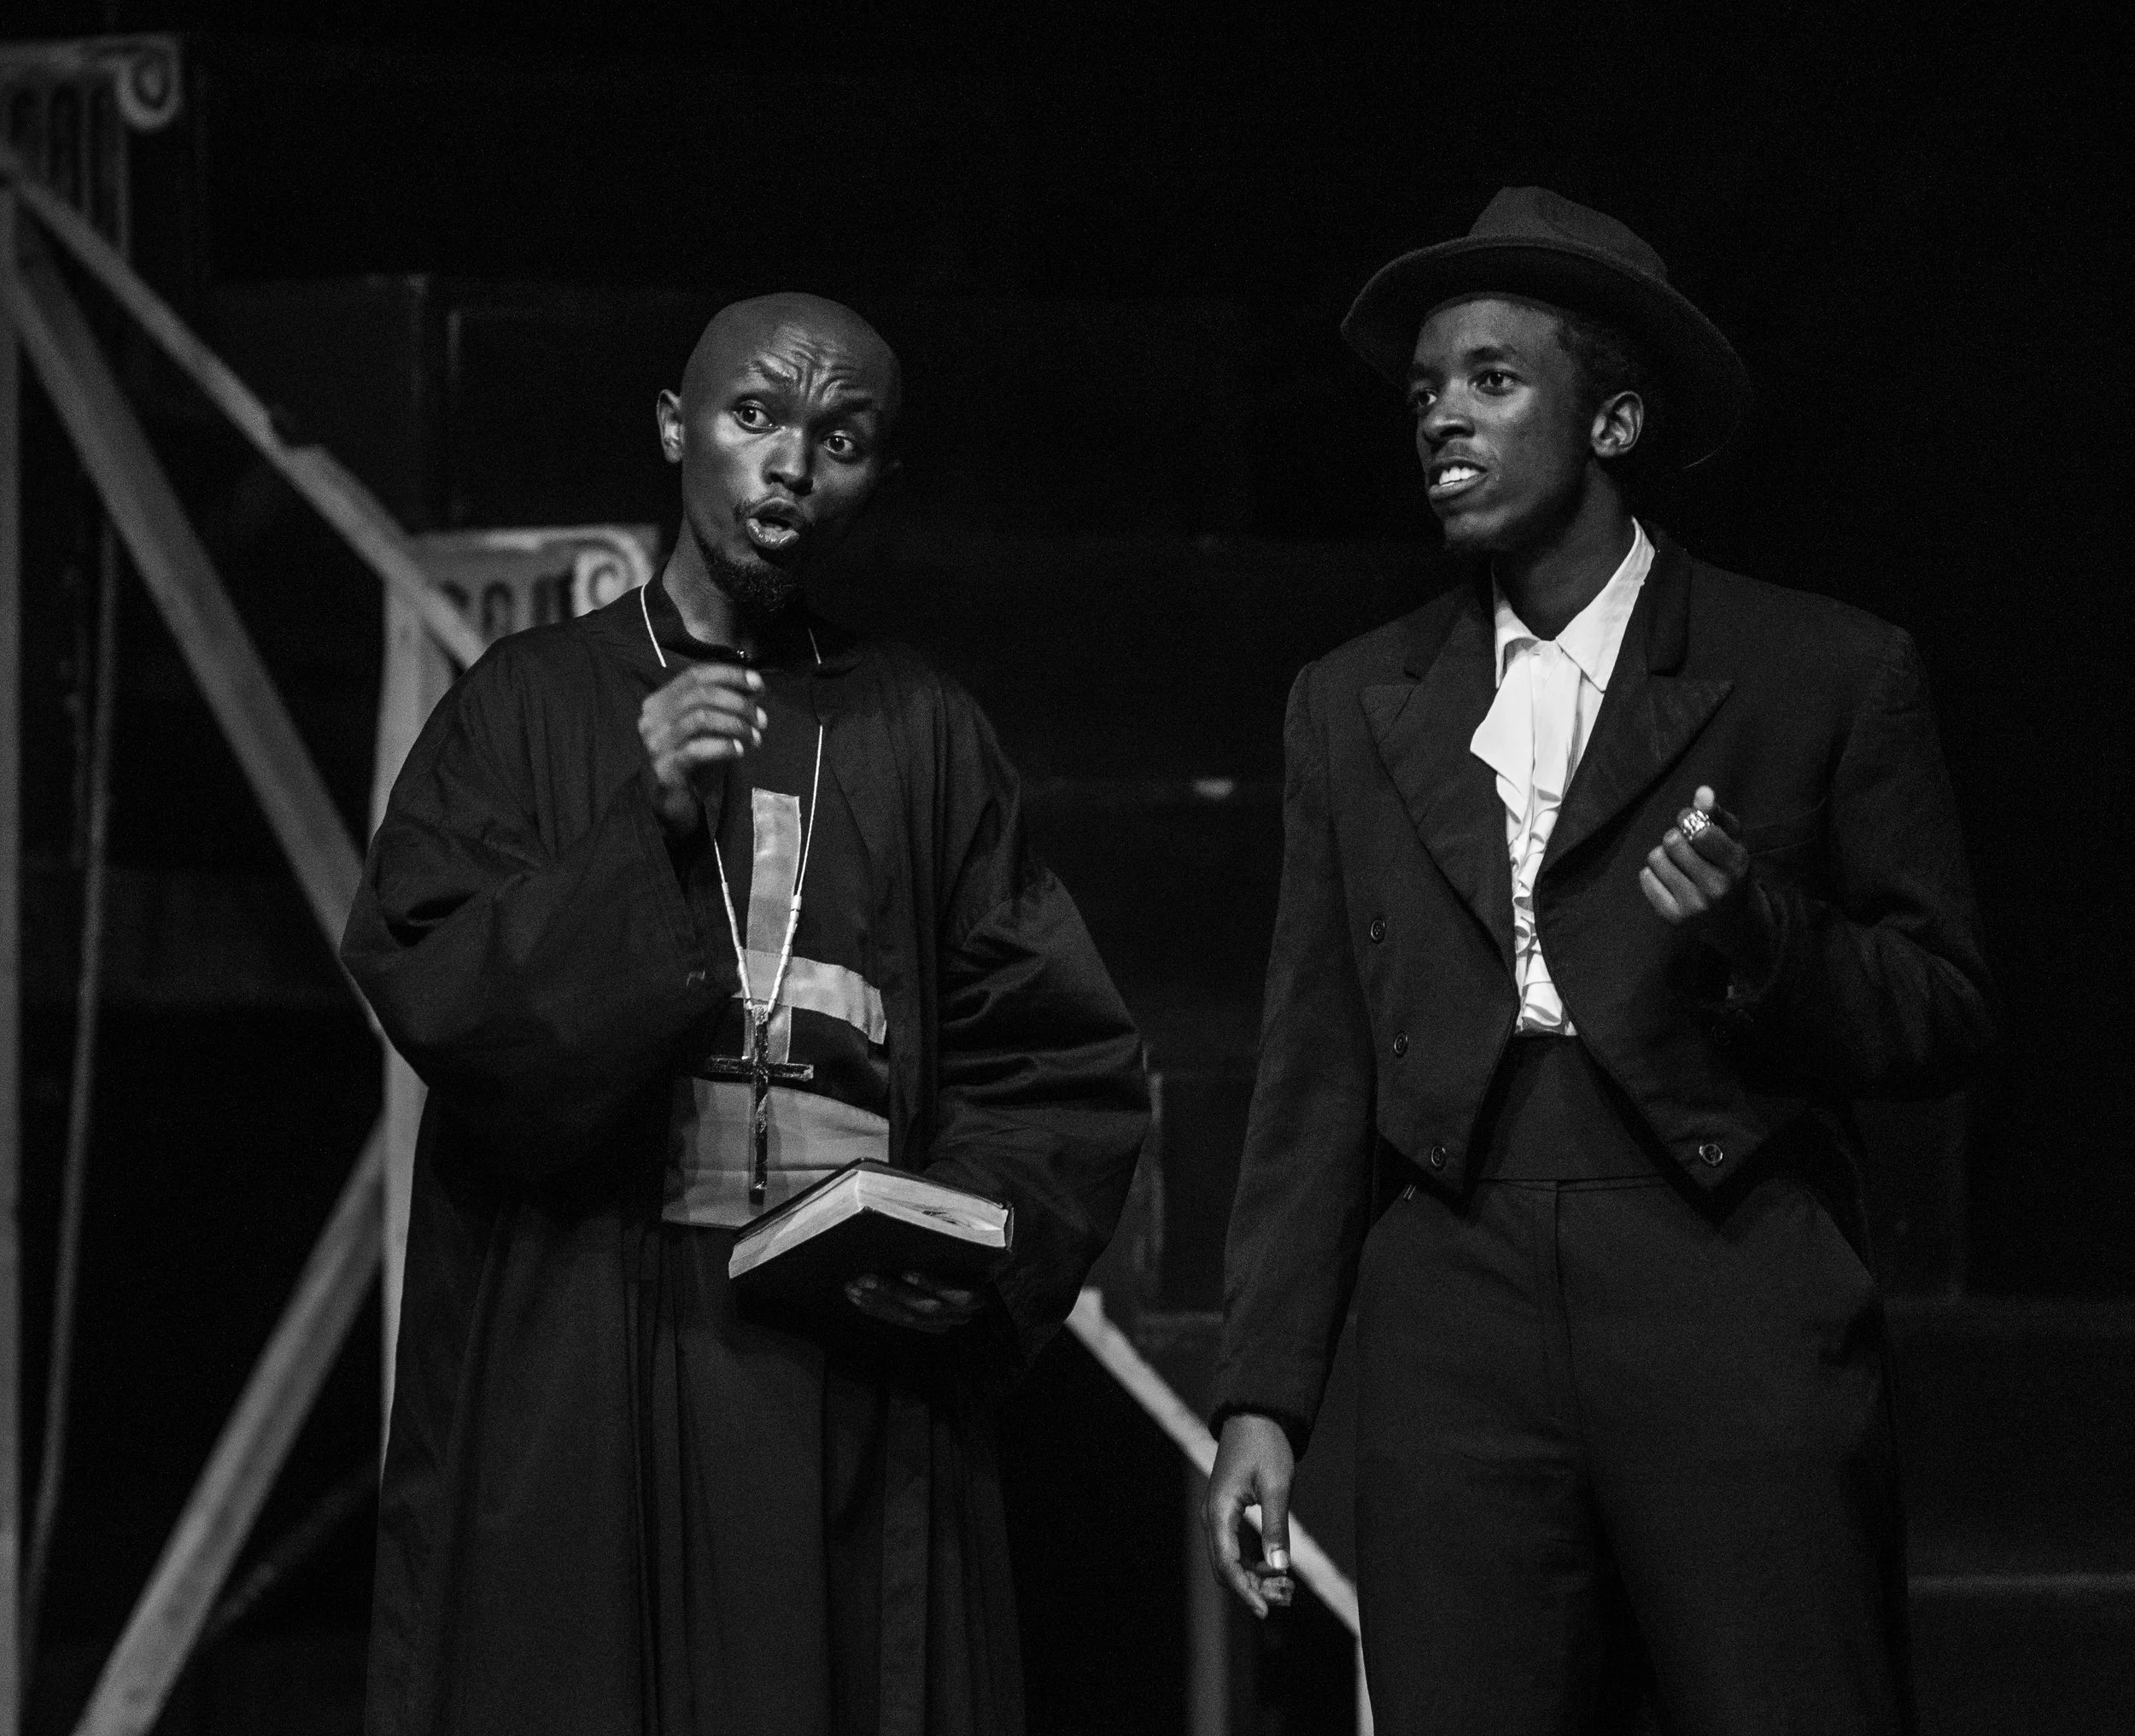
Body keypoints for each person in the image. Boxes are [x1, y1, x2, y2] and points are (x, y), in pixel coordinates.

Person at [1202, 189, 1995, 1733]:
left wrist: (1767, 934)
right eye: (1427, 390)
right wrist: (1263, 1391)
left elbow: (1946, 1009)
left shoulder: (1817, 669)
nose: (1442, 418)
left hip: (1721, 1272)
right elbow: (1318, 1061)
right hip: (1455, 1294)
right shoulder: (1357, 700)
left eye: (1493, 381)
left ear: (1614, 417)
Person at [345, 293, 1149, 1736]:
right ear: (674, 426)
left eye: (839, 440)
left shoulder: (921, 732)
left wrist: (961, 1243)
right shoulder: (528, 705)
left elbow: (1058, 1064)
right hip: (597, 1340)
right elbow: (440, 992)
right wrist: (641, 832)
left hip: (845, 1372)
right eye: (756, 418)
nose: (789, 467)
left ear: (877, 481)